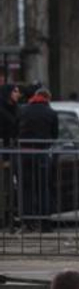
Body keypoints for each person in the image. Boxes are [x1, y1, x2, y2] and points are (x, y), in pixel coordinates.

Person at [18, 88, 57, 232]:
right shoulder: (51, 113)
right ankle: (45, 223)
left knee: (26, 188)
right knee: (43, 188)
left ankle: (27, 222)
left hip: (25, 153)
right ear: (48, 98)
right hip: (42, 153)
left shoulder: (23, 110)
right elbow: (55, 135)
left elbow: (17, 129)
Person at [1, 84, 22, 229]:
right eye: (15, 91)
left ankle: (10, 216)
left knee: (11, 187)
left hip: (14, 151)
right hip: (5, 153)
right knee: (5, 187)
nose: (18, 94)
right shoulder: (2, 110)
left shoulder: (16, 108)